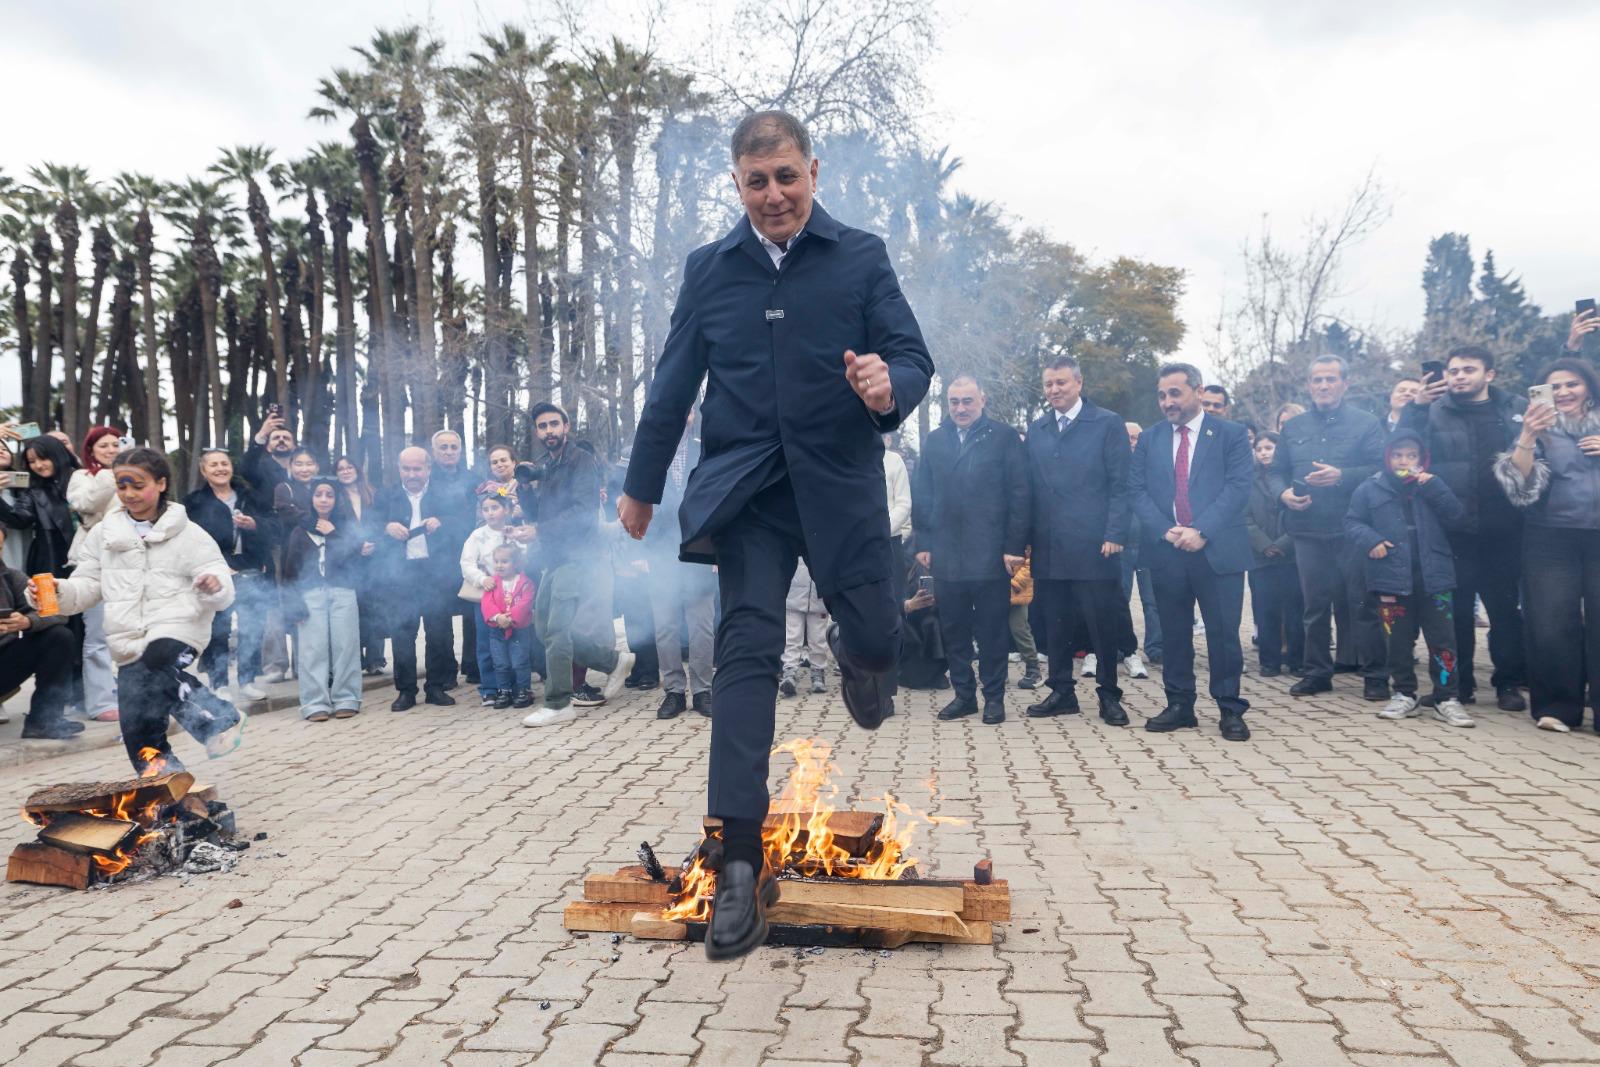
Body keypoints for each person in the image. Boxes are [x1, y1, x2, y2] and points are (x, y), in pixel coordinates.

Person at [618, 109, 933, 960]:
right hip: (749, 491)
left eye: (786, 176)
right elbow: (674, 380)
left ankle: (865, 664)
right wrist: (642, 485)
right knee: (745, 651)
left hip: (838, 482)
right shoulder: (710, 270)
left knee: (873, 633)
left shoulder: (860, 255)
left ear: (813, 172)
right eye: (757, 181)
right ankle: (737, 859)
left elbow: (913, 356)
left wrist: (884, 384)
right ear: (737, 184)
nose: (774, 195)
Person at [47, 447, 244, 773]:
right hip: (128, 642)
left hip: (178, 629)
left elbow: (220, 579)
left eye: (138, 485)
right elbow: (87, 585)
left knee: (155, 661)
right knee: (138, 728)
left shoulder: (189, 534)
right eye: (122, 486)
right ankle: (173, 799)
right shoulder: (103, 535)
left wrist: (214, 584)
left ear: (161, 483)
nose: (129, 494)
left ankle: (217, 719)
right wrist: (61, 590)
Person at [1128, 363, 1254, 741]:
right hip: (1168, 551)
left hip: (1217, 549)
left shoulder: (1230, 435)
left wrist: (1202, 530)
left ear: (1197, 391)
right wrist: (1166, 530)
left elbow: (1238, 487)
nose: (1168, 402)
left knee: (1223, 634)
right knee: (1174, 633)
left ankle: (1230, 708)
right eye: (1163, 395)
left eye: (1175, 393)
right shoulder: (1150, 439)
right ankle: (1180, 705)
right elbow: (1137, 490)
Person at [1400, 346, 1528, 710]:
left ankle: (1507, 685)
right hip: (1451, 530)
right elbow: (1403, 449)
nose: (1458, 376)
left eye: (1468, 370)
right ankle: (1458, 686)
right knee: (1453, 615)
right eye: (1453, 370)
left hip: (1503, 529)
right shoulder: (1433, 411)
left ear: (1489, 374)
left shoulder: (1511, 410)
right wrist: (1417, 405)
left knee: (1504, 614)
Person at [1271, 356, 1388, 701]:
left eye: (1331, 379)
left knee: (1363, 604)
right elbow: (1276, 471)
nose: (1324, 385)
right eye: (1317, 380)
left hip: (1353, 528)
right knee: (1314, 606)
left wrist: (1343, 476)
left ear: (1345, 384)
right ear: (1309, 385)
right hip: (1307, 530)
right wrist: (1284, 493)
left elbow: (1381, 468)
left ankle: (1376, 675)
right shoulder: (1293, 427)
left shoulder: (1366, 423)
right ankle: (1317, 673)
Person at [913, 376, 1028, 726]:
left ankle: (994, 698)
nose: (960, 409)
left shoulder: (1004, 438)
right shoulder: (935, 440)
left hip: (991, 554)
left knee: (992, 630)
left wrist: (1013, 547)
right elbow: (924, 492)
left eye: (967, 401)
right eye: (954, 402)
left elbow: (1020, 494)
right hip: (947, 552)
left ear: (982, 399)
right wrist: (924, 543)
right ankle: (964, 696)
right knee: (954, 629)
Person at [1494, 358, 1600, 732]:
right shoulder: (1537, 427)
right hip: (1551, 537)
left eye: (1573, 384)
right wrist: (1527, 437)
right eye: (1555, 387)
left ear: (1588, 386)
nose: (1564, 392)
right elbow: (1518, 486)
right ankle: (1557, 707)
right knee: (1552, 623)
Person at [1023, 356, 1130, 726]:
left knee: (1101, 624)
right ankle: (1061, 691)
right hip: (1050, 546)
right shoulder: (1037, 428)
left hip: (1095, 546)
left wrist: (1115, 533)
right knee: (1055, 624)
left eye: (1062, 383)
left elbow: (1121, 484)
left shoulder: (1107, 423)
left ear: (1079, 383)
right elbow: (1029, 489)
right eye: (1049, 384)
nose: (1054, 390)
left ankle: (1109, 695)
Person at [1345, 429, 1472, 727]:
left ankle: (1447, 697)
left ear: (1423, 458)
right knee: (1398, 641)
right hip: (1390, 576)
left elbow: (1457, 518)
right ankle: (1404, 693)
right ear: (1388, 457)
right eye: (1398, 455)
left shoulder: (1433, 484)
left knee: (1443, 639)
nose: (1404, 460)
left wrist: (1436, 487)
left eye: (1411, 455)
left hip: (1435, 576)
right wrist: (1371, 541)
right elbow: (1352, 521)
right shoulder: (1370, 487)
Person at [519, 402, 635, 726]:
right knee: (543, 628)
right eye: (542, 426)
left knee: (557, 630)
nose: (549, 431)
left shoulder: (581, 461)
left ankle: (558, 703)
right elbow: (535, 515)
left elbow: (584, 512)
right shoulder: (547, 464)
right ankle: (613, 661)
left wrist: (540, 530)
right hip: (553, 558)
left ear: (566, 426)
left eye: (554, 424)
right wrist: (525, 490)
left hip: (578, 556)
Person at [372, 447, 459, 710]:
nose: (412, 474)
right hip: (401, 575)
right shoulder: (385, 495)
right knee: (402, 634)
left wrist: (442, 521)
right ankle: (406, 691)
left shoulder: (444, 494)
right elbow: (369, 526)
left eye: (417, 469)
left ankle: (435, 687)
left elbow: (464, 522)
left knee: (439, 633)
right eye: (406, 469)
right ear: (399, 469)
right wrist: (385, 527)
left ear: (428, 469)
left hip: (435, 573)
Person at [185, 450, 272, 702]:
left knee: (252, 628)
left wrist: (254, 525)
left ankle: (247, 680)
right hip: (217, 575)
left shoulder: (249, 497)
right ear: (204, 470)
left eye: (224, 463)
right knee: (218, 630)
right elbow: (191, 541)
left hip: (251, 570)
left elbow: (273, 527)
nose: (220, 468)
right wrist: (216, 567)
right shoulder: (194, 502)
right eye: (213, 465)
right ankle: (218, 682)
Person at [646, 414, 716, 720]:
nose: (682, 416)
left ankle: (703, 691)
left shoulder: (707, 449)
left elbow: (717, 499)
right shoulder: (652, 453)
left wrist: (718, 552)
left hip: (699, 552)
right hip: (660, 557)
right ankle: (673, 691)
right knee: (665, 628)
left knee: (702, 627)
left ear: (694, 416)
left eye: (687, 410)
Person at [282, 478, 366, 722]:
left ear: (337, 499)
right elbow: (290, 571)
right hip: (311, 595)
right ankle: (314, 703)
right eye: (319, 494)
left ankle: (347, 699)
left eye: (329, 495)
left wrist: (336, 534)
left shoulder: (347, 528)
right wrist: (293, 606)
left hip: (342, 592)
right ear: (311, 499)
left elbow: (357, 559)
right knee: (312, 650)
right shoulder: (299, 530)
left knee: (346, 647)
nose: (324, 499)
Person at [68, 426, 123, 723]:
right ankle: (100, 701)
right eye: (104, 445)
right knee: (97, 634)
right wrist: (109, 474)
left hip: (129, 561)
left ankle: (131, 694)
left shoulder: (132, 473)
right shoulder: (82, 477)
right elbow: (85, 505)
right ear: (91, 449)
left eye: (116, 444)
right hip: (94, 559)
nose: (112, 450)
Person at [0, 551, 78, 739]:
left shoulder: (10, 577)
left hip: (5, 662)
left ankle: (44, 720)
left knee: (59, 637)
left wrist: (27, 621)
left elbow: (57, 613)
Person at [1243, 432, 1303, 677]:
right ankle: (1269, 661)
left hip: (1291, 555)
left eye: (1270, 447)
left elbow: (1301, 515)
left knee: (1295, 610)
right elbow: (1244, 517)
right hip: (1261, 557)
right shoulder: (1247, 481)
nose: (1265, 452)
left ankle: (1298, 660)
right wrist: (1264, 544)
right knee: (1266, 610)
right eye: (1260, 448)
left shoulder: (1293, 479)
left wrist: (1283, 544)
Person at [460, 492, 521, 707]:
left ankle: (513, 685)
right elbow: (467, 563)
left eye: (495, 508)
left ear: (506, 509)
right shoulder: (478, 536)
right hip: (488, 595)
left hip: (513, 594)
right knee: (486, 641)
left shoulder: (514, 532)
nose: (490, 513)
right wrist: (482, 578)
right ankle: (489, 687)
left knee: (512, 639)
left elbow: (524, 555)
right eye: (485, 509)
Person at [431, 429, 480, 686]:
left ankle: (473, 666)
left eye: (453, 447)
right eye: (443, 448)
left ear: (460, 451)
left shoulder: (473, 480)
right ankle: (447, 671)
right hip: (438, 558)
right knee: (440, 616)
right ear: (434, 452)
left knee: (473, 612)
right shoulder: (428, 480)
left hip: (470, 554)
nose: (449, 452)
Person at [334, 455, 386, 675]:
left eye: (349, 467)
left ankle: (375, 658)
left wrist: (375, 544)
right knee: (353, 610)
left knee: (375, 608)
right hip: (349, 561)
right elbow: (337, 530)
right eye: (340, 469)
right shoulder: (335, 497)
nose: (345, 471)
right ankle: (355, 659)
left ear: (358, 470)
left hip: (374, 559)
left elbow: (383, 522)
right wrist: (356, 547)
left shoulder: (373, 493)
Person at [1122, 421, 1162, 666]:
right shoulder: (1113, 467)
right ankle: (1121, 646)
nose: (1132, 442)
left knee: (1153, 599)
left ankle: (1157, 647)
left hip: (1149, 542)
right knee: (1120, 598)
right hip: (1121, 543)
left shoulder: (1154, 468)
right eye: (1127, 438)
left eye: (1136, 437)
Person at [481, 543, 536, 708]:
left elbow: (525, 604)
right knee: (500, 663)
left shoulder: (525, 583)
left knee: (520, 662)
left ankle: (523, 690)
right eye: (496, 561)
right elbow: (486, 603)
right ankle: (504, 691)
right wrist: (498, 617)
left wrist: (510, 618)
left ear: (516, 562)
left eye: (504, 561)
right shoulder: (492, 583)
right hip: (497, 630)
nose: (499, 565)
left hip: (519, 629)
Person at [781, 558, 830, 697]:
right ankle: (789, 671)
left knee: (818, 637)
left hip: (818, 595)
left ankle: (818, 672)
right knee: (792, 636)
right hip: (793, 592)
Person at [1008, 550, 1041, 690]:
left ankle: (1033, 669)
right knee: (993, 630)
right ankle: (997, 670)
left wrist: (1015, 583)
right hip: (992, 587)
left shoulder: (1021, 533)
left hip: (1016, 590)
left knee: (1020, 629)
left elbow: (1031, 562)